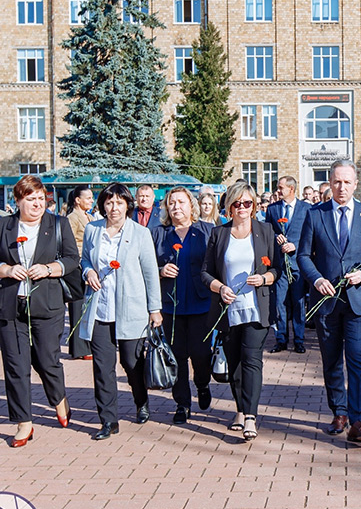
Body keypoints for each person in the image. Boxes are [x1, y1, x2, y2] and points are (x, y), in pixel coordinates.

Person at [297, 160, 361, 443]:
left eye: (347, 182)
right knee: (332, 360)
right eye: (336, 181)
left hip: (358, 302)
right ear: (330, 182)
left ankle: (359, 421)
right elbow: (302, 255)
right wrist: (316, 279)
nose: (341, 187)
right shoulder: (315, 214)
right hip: (327, 301)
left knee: (357, 360)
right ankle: (339, 411)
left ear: (356, 184)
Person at [80, 183, 163, 440]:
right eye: (108, 202)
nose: (113, 208)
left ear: (128, 204)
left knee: (131, 362)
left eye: (118, 203)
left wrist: (155, 309)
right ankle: (108, 420)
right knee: (102, 368)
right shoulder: (93, 230)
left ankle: (141, 400)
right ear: (102, 205)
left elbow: (150, 273)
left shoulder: (139, 233)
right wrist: (88, 271)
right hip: (100, 308)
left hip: (132, 308)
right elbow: (84, 259)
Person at [0, 175, 78, 447]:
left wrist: (48, 269)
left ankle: (58, 397)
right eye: (30, 199)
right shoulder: (4, 226)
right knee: (15, 365)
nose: (37, 204)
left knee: (47, 360)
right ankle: (24, 423)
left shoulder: (58, 224)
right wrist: (7, 270)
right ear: (18, 201)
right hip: (11, 305)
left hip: (47, 304)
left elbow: (71, 260)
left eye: (40, 199)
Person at [202, 180, 278, 442]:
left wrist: (265, 278)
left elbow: (277, 269)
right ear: (229, 206)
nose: (243, 207)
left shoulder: (266, 230)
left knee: (252, 360)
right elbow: (205, 272)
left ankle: (250, 417)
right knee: (233, 363)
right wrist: (219, 287)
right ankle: (239, 408)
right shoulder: (219, 233)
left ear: (254, 206)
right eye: (238, 203)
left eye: (248, 203)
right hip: (228, 309)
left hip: (257, 308)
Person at [152, 187, 214, 425]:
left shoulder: (207, 231)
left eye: (181, 202)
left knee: (200, 354)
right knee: (176, 356)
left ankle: (202, 383)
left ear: (192, 205)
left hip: (201, 303)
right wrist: (160, 270)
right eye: (172, 203)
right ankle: (182, 403)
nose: (176, 207)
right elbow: (146, 266)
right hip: (171, 305)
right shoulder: (158, 234)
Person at [265, 176, 310, 354]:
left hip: (298, 264)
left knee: (299, 303)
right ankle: (281, 338)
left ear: (291, 189)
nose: (278, 190)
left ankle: (299, 339)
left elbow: (310, 235)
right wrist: (276, 238)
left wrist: (295, 246)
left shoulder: (307, 209)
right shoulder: (273, 209)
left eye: (281, 187)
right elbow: (268, 231)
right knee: (279, 303)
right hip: (280, 266)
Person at [65, 184, 94, 360]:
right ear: (78, 200)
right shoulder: (72, 218)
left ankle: (87, 344)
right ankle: (79, 348)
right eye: (88, 197)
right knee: (77, 307)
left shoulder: (89, 216)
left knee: (87, 307)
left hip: (89, 265)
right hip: (77, 267)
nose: (91, 200)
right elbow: (69, 243)